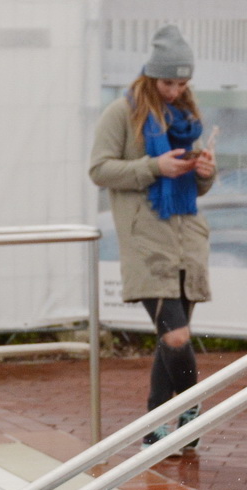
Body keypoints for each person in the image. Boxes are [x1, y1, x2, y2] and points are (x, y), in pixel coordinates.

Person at [89, 24, 217, 450]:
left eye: (183, 83)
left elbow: (197, 190)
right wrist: (153, 167)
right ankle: (193, 408)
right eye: (168, 82)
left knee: (169, 343)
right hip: (147, 242)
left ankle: (158, 427)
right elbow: (100, 170)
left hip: (187, 241)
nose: (175, 90)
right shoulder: (121, 113)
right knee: (176, 337)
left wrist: (204, 173)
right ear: (150, 75)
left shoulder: (186, 118)